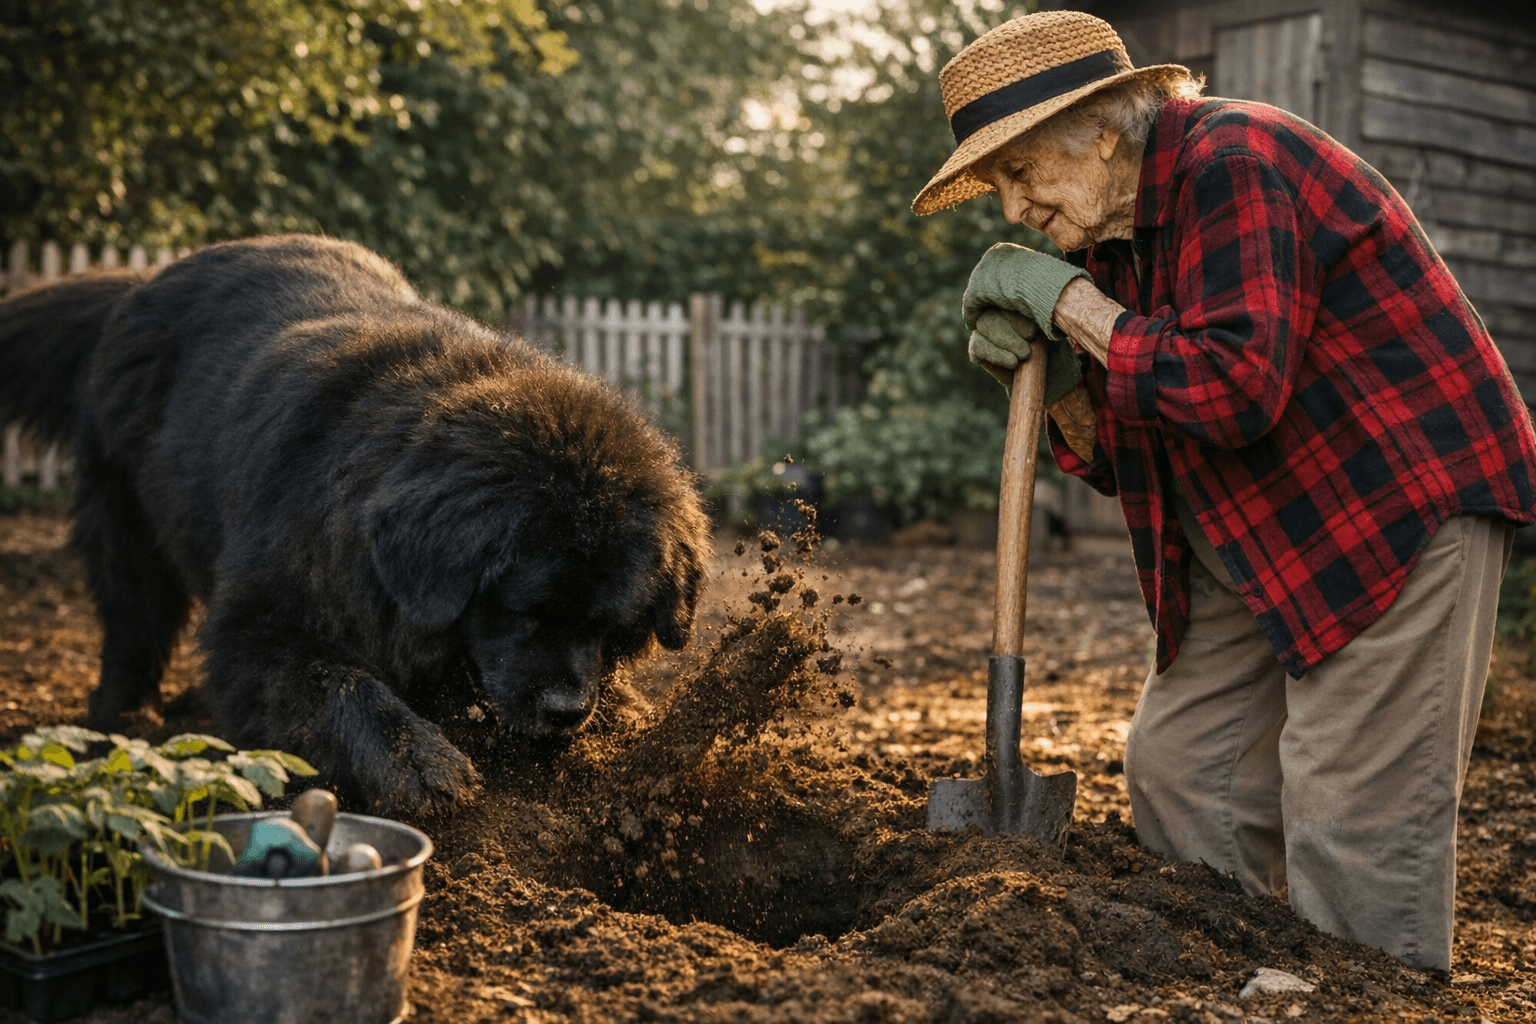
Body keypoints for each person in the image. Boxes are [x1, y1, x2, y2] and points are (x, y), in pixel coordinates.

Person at [911, 10, 1536, 973]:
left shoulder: (1233, 162)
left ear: (1098, 129)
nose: (1011, 212)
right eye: (998, 186)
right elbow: (1134, 457)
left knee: (1350, 805)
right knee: (1182, 767)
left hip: (1392, 500)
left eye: (1021, 173)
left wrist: (1073, 310)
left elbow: (1234, 387)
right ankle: (1231, 974)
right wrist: (1070, 383)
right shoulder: (1110, 243)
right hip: (1258, 517)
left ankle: (1367, 990)